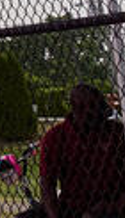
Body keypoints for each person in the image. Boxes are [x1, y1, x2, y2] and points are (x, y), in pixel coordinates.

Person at [40, 83, 125, 218]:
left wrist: (112, 206)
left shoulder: (117, 132)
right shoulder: (56, 136)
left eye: (101, 110)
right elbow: (47, 184)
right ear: (77, 110)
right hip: (71, 206)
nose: (99, 118)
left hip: (110, 204)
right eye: (92, 110)